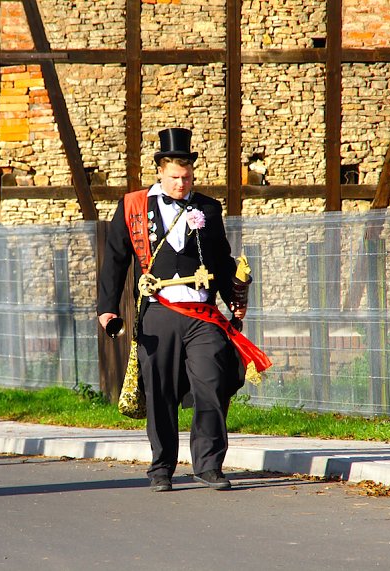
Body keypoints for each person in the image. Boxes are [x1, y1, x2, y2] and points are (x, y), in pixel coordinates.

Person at [97, 127, 270, 492]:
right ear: (160, 170)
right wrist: (107, 308)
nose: (182, 184)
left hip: (202, 314)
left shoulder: (208, 206)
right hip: (159, 312)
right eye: (176, 177)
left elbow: (221, 261)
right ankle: (161, 468)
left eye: (188, 177)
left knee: (213, 383)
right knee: (159, 393)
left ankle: (208, 465)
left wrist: (235, 297)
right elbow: (114, 259)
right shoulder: (133, 207)